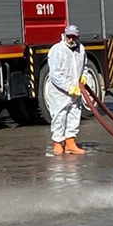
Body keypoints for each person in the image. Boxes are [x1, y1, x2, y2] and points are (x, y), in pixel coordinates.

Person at [45, 25, 87, 155]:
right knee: (59, 115)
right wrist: (68, 87)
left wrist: (84, 77)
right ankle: (58, 142)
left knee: (74, 115)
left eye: (74, 37)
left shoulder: (81, 49)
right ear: (64, 35)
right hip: (60, 92)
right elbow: (55, 74)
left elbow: (84, 66)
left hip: (75, 90)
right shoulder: (56, 50)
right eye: (69, 36)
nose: (71, 39)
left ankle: (70, 142)